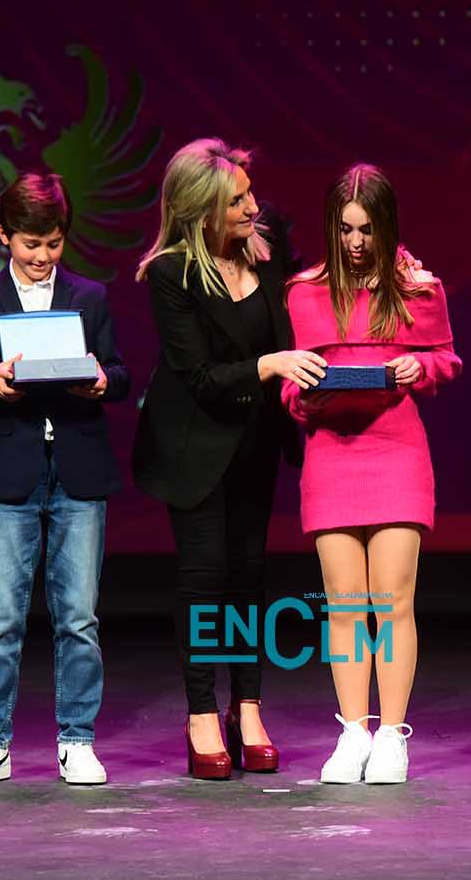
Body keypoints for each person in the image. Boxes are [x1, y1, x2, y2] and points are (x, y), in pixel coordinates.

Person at [132, 138, 326, 779]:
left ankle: (248, 709)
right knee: (204, 579)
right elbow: (200, 378)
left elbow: (317, 294)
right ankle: (200, 715)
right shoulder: (173, 275)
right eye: (237, 200)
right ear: (201, 211)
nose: (252, 206)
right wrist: (269, 365)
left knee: (248, 576)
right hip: (194, 447)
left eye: (249, 193)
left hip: (255, 440)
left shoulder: (268, 250)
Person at [0, 172, 128, 787]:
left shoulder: (89, 295)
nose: (42, 257)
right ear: (4, 236)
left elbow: (120, 373)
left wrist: (101, 380)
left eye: (53, 243)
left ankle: (77, 740)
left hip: (78, 470)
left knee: (79, 619)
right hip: (10, 474)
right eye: (30, 244)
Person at [282, 163, 460, 785]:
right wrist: (304, 392)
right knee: (344, 603)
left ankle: (391, 737)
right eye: (345, 229)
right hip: (331, 451)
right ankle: (353, 732)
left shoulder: (418, 289)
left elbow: (446, 358)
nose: (355, 242)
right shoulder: (304, 291)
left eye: (366, 230)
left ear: (387, 226)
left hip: (395, 451)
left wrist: (419, 369)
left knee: (392, 599)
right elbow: (290, 384)